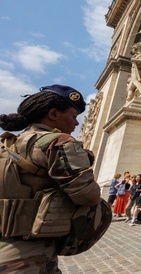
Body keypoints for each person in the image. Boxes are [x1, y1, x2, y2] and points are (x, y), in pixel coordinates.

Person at [0, 84, 108, 272]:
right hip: (28, 255)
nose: (76, 124)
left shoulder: (6, 143)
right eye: (73, 116)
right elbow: (89, 196)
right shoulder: (58, 143)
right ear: (53, 114)